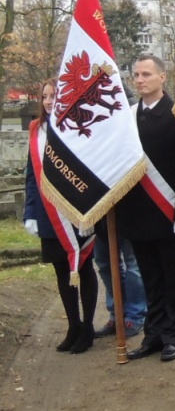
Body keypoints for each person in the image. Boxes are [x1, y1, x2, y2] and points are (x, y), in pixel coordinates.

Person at [117, 53, 175, 362]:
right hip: (137, 213)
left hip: (169, 212)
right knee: (150, 277)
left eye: (146, 74)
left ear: (162, 77)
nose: (139, 80)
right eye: (136, 75)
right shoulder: (128, 117)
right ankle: (154, 333)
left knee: (172, 276)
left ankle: (174, 335)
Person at [23, 79, 99, 354]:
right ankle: (73, 325)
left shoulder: (77, 130)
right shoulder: (36, 129)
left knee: (84, 269)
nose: (48, 101)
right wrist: (30, 212)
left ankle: (88, 326)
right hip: (47, 213)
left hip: (76, 213)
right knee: (60, 270)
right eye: (44, 96)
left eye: (54, 96)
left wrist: (90, 212)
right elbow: (31, 175)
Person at [91, 227, 147, 339]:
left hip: (128, 216)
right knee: (104, 263)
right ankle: (117, 313)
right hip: (98, 218)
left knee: (133, 265)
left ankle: (135, 316)